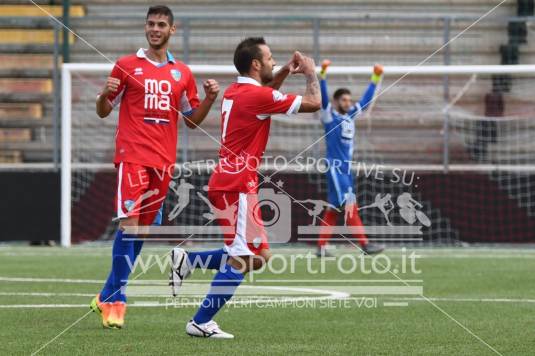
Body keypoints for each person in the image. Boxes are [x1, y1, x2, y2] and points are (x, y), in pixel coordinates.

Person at [169, 37, 321, 339]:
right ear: (255, 64)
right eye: (269, 58)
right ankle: (200, 321)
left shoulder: (236, 91)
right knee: (243, 257)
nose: (273, 62)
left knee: (260, 255)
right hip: (236, 185)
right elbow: (314, 103)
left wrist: (285, 72)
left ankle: (190, 260)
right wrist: (311, 72)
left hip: (232, 182)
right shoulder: (256, 97)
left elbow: (266, 92)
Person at [89, 5, 220, 329]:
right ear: (145, 27)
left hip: (163, 162)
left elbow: (191, 121)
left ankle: (105, 294)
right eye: (151, 23)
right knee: (129, 225)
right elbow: (104, 110)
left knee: (142, 231)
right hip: (132, 156)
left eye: (161, 24)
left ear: (171, 30)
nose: (155, 28)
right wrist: (103, 96)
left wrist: (209, 101)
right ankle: (117, 301)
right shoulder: (126, 66)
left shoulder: (182, 73)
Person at [316, 60, 385, 256]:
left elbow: (365, 101)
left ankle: (321, 247)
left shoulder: (350, 116)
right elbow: (323, 101)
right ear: (337, 101)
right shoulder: (330, 117)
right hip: (336, 169)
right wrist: (323, 76)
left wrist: (375, 78)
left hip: (345, 169)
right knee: (349, 205)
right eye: (344, 100)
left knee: (333, 209)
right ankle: (365, 244)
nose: (348, 103)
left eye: (349, 100)